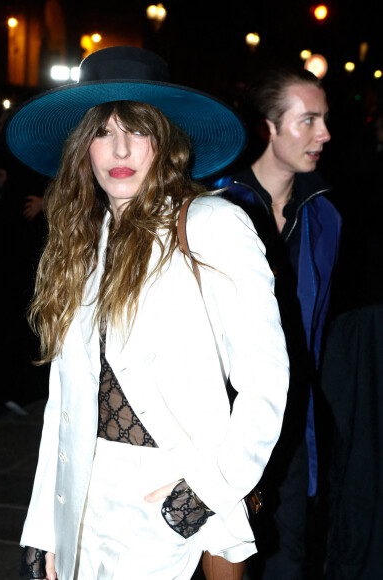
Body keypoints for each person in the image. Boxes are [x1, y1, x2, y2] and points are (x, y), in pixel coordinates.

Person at [5, 46, 289, 580]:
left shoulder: (210, 224)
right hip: (85, 500)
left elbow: (266, 383)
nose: (120, 148)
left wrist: (198, 496)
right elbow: (64, 403)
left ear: (167, 143)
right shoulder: (80, 245)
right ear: (81, 147)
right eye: (103, 131)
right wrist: (44, 528)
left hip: (170, 494)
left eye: (138, 131)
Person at [213, 67, 341, 579]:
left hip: (292, 428)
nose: (324, 134)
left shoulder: (326, 216)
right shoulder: (216, 209)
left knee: (286, 558)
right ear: (268, 128)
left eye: (324, 120)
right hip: (221, 429)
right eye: (308, 120)